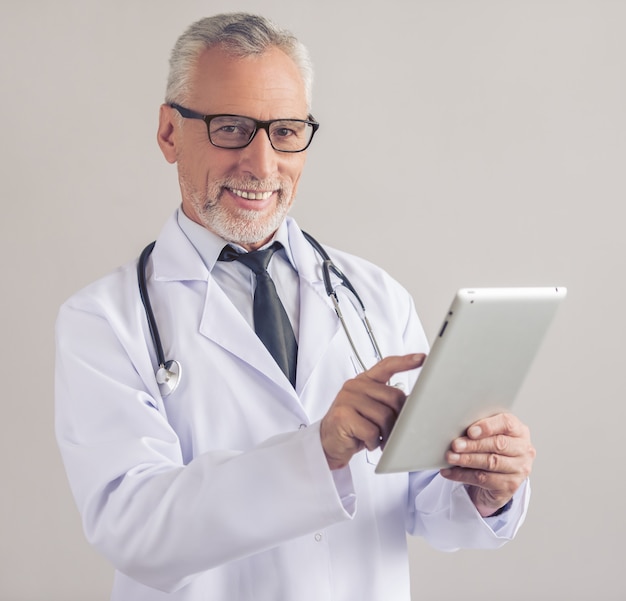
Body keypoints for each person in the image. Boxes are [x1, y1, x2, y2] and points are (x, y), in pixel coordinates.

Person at [55, 13, 536, 601]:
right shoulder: (104, 321)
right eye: (231, 127)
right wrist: (316, 452)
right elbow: (133, 528)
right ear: (169, 133)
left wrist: (483, 490)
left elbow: (419, 500)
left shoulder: (375, 296)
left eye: (284, 131)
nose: (261, 165)